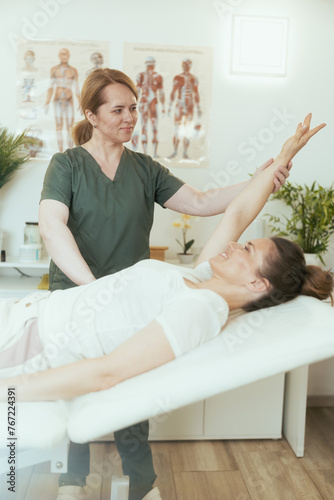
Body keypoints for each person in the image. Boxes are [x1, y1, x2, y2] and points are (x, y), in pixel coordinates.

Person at [36, 66, 290, 500]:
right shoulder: (67, 165)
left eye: (134, 108)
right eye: (118, 110)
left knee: (134, 390)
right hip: (76, 296)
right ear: (92, 116)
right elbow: (52, 226)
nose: (130, 117)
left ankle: (142, 485)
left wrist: (260, 179)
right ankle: (72, 481)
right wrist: (91, 287)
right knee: (75, 383)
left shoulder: (145, 169)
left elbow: (203, 202)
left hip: (134, 304)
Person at [44, 48, 81, 153]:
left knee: (70, 127)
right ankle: (60, 152)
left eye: (65, 54)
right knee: (59, 126)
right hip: (57, 99)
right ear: (59, 56)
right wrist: (47, 102)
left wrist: (81, 102)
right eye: (61, 54)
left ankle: (69, 152)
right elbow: (50, 86)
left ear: (68, 56)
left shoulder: (73, 70)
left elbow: (77, 87)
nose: (63, 56)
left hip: (69, 99)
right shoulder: (54, 69)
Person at [168, 58, 201, 159]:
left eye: (187, 65)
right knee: (177, 128)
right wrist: (169, 106)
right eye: (185, 65)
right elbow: (173, 92)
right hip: (180, 105)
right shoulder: (178, 77)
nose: (186, 67)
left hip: (190, 106)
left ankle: (185, 152)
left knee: (188, 129)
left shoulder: (194, 78)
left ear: (190, 66)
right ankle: (175, 151)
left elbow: (195, 93)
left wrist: (199, 107)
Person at [133, 56, 165, 157]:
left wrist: (163, 106)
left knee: (150, 127)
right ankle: (149, 153)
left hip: (149, 102)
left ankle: (151, 153)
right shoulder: (143, 76)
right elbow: (137, 91)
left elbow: (161, 92)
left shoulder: (155, 76)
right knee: (148, 127)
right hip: (148, 102)